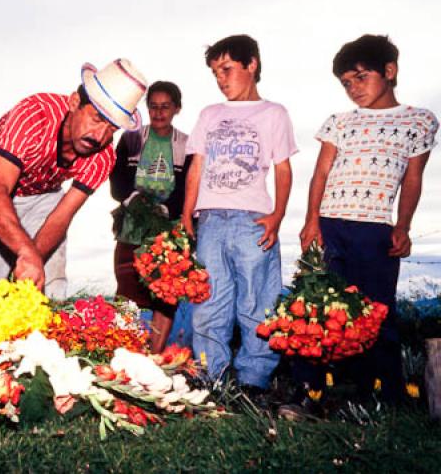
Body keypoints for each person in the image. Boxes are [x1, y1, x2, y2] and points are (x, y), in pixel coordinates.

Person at [278, 35, 438, 419]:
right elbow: (321, 172)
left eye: (360, 77)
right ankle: (309, 392)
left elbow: (413, 179)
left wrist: (403, 226)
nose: (353, 89)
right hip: (331, 226)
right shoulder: (339, 123)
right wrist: (311, 220)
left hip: (375, 230)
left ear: (389, 71)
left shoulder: (418, 121)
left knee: (376, 312)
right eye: (346, 83)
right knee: (315, 309)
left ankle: (382, 394)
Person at [0, 59, 148, 298]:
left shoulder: (103, 158)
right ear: (74, 102)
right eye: (97, 119)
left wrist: (32, 261)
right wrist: (25, 252)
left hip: (45, 194)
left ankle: (42, 333)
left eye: (112, 129)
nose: (99, 136)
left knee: (46, 285)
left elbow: (62, 216)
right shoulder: (34, 115)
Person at [182, 35, 297, 399]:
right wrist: (188, 214)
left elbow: (283, 169)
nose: (220, 78)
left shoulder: (273, 113)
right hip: (211, 220)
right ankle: (209, 376)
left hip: (253, 220)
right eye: (215, 72)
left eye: (227, 68)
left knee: (256, 301)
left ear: (252, 65)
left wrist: (277, 216)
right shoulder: (209, 115)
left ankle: (253, 379)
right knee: (208, 303)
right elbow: (196, 166)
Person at [110, 80, 193, 353]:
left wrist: (167, 209)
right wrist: (134, 199)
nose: (158, 113)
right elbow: (118, 180)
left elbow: (188, 187)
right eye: (153, 107)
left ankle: (155, 357)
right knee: (127, 287)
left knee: (165, 291)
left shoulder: (186, 145)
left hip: (168, 228)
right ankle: (124, 353)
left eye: (165, 107)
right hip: (132, 224)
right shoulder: (131, 137)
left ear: (177, 109)